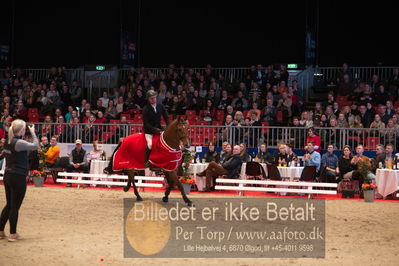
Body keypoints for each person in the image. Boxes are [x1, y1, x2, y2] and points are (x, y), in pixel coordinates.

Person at [0, 120, 39, 242]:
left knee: (9, 204)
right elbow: (35, 145)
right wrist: (32, 132)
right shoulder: (19, 142)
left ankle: (1, 231)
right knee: (15, 206)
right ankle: (13, 234)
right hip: (18, 176)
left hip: (8, 175)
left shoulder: (7, 141)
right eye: (24, 129)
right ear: (22, 130)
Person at [142, 90, 170, 167]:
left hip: (159, 129)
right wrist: (155, 130)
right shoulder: (145, 109)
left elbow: (166, 117)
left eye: (154, 98)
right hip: (149, 131)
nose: (153, 99)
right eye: (151, 98)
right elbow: (146, 123)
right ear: (148, 99)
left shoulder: (160, 106)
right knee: (150, 144)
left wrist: (168, 126)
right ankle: (146, 161)